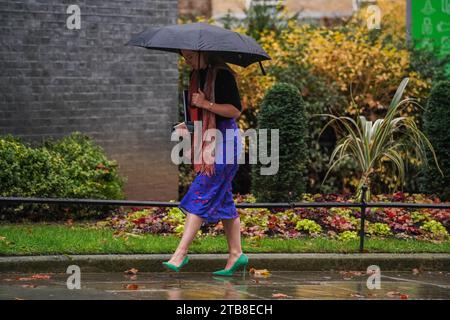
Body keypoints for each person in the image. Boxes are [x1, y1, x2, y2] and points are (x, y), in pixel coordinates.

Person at [162, 49, 247, 276]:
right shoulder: (196, 76)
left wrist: (206, 103)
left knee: (202, 188)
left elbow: (234, 111)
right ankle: (236, 254)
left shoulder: (222, 76)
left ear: (204, 54)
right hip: (208, 140)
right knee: (225, 199)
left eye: (190, 56)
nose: (187, 60)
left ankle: (180, 253)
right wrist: (186, 125)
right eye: (184, 57)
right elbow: (198, 113)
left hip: (226, 143)